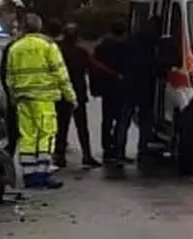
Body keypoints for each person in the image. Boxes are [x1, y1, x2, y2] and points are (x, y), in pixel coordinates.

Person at [5, 13, 77, 189]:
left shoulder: (15, 47)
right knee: (46, 135)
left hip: (23, 100)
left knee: (27, 137)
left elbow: (10, 77)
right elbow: (61, 73)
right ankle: (44, 173)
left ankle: (29, 175)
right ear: (39, 27)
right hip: (44, 99)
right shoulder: (48, 46)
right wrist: (71, 97)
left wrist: (14, 97)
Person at [54, 23, 101, 168]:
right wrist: (94, 88)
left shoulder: (57, 50)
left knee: (61, 127)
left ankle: (60, 155)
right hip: (78, 93)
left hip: (61, 93)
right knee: (82, 127)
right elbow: (92, 70)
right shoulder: (81, 52)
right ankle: (86, 155)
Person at [92, 21, 132, 163]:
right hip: (123, 88)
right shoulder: (128, 48)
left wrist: (95, 88)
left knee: (107, 120)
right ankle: (118, 150)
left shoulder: (102, 47)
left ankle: (107, 148)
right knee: (121, 121)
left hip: (107, 89)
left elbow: (94, 68)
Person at [128, 15, 162, 160]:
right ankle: (143, 147)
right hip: (147, 82)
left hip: (131, 82)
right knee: (145, 117)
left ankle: (117, 151)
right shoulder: (154, 41)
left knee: (125, 118)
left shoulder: (135, 38)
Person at [0, 22, 22, 158]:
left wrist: (11, 94)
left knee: (14, 135)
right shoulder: (45, 46)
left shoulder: (11, 47)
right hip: (34, 100)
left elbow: (4, 74)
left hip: (17, 99)